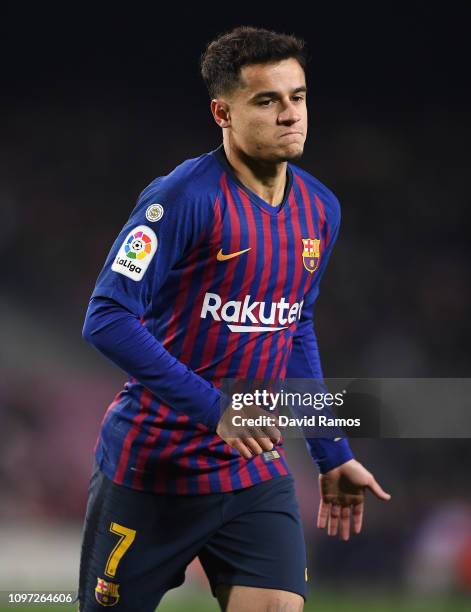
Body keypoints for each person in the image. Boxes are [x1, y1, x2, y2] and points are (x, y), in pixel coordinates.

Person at [78, 26, 391, 612]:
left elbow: (293, 327)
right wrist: (214, 409)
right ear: (222, 112)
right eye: (266, 100)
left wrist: (331, 450)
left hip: (251, 471)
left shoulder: (320, 208)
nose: (288, 115)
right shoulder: (181, 198)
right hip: (151, 472)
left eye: (297, 97)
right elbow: (107, 317)